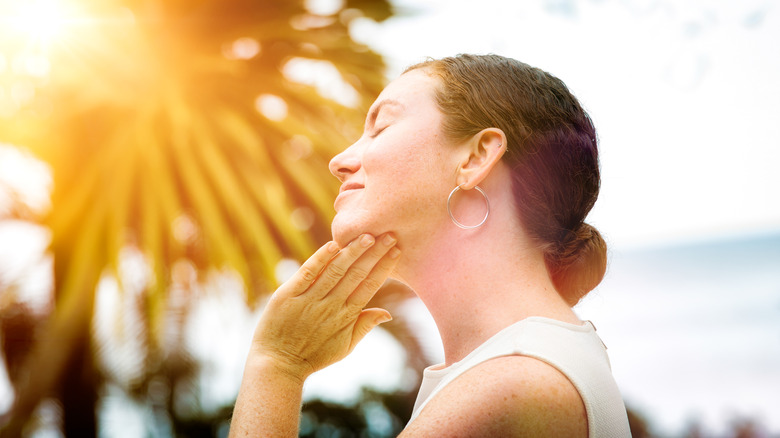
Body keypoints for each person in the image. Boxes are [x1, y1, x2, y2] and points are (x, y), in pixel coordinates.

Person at [229, 54, 631, 437]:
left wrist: (278, 364)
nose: (340, 161)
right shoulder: (532, 361)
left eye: (382, 126)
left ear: (475, 158)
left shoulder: (516, 385)